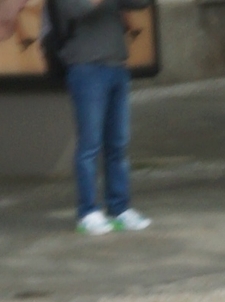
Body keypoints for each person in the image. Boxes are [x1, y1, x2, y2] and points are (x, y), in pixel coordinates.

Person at [54, 0, 152, 234]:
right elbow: (75, 10)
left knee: (118, 144)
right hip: (86, 69)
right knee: (90, 145)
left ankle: (120, 208)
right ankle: (88, 212)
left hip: (116, 66)